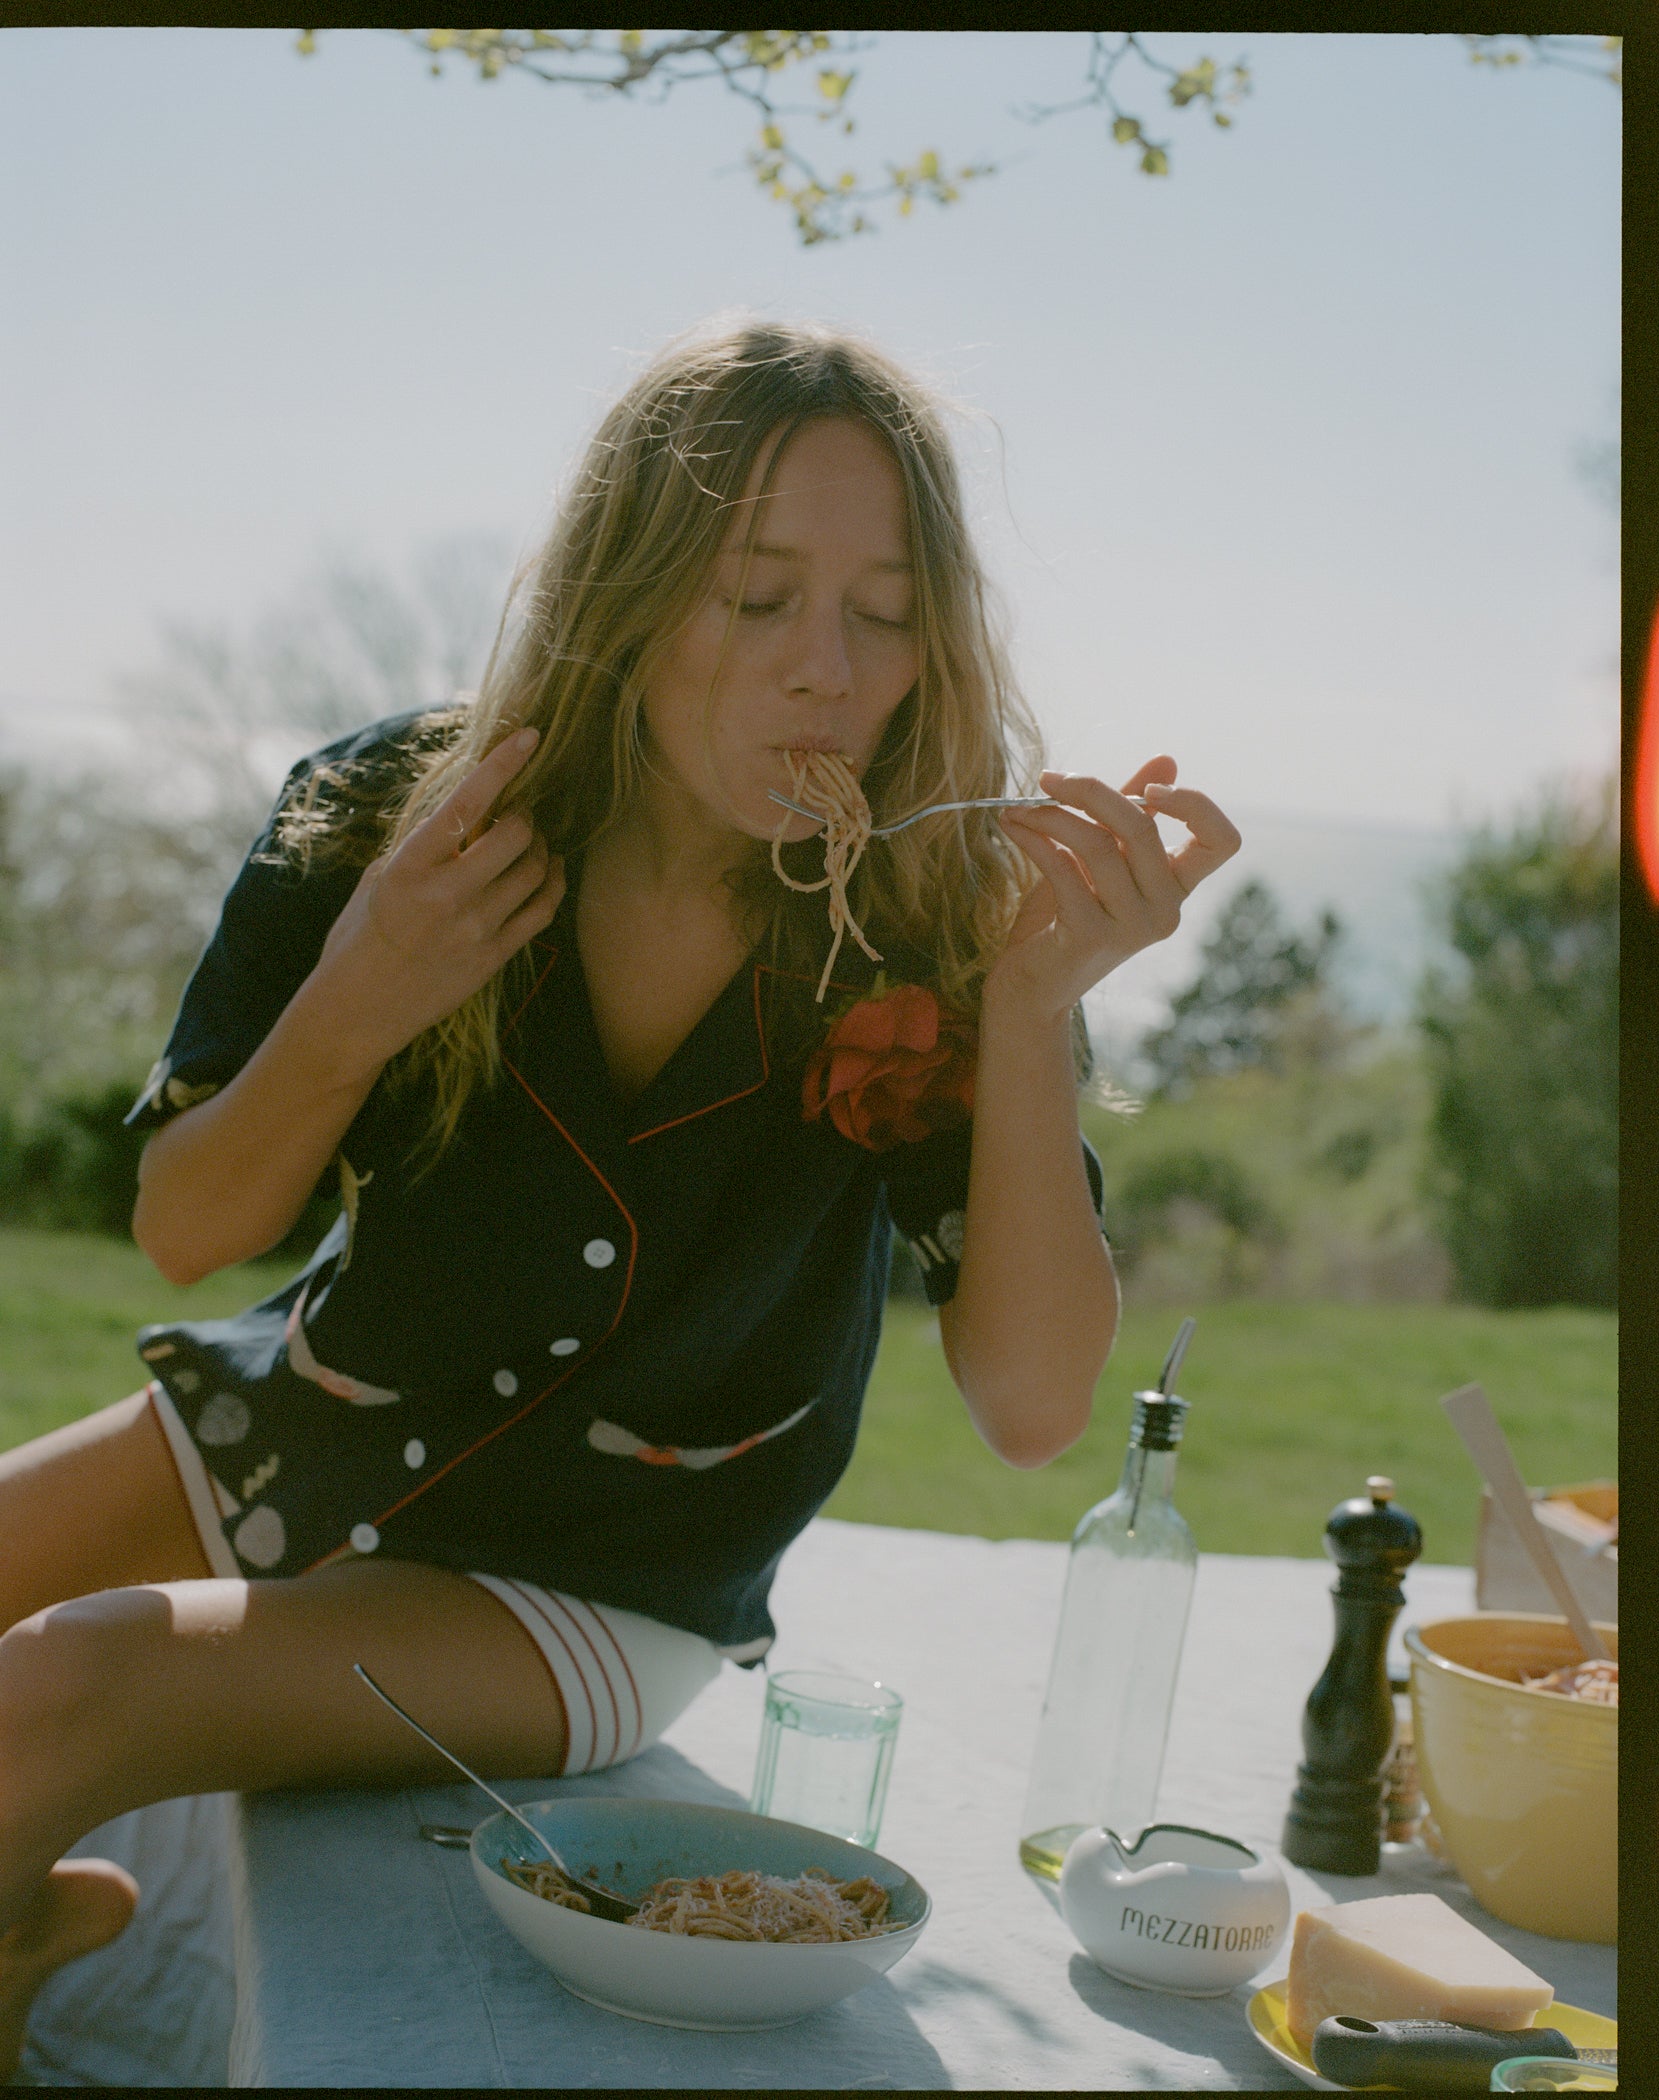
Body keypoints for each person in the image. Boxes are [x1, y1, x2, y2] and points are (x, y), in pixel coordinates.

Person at [0, 317, 1240, 2065]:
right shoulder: (390, 813)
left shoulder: (924, 937)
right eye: (756, 597)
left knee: (59, 1684)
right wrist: (361, 993)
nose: (825, 670)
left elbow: (1033, 1410)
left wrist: (1031, 1008)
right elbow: (187, 1229)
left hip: (600, 1588)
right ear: (628, 595)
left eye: (885, 614)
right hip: (297, 1429)